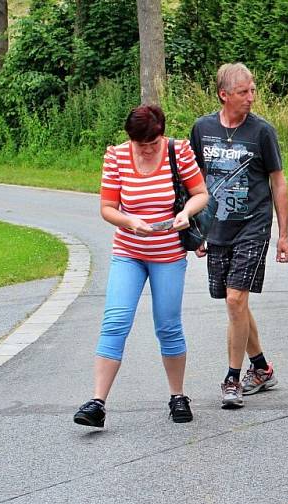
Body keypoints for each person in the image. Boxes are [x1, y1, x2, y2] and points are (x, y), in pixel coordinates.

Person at [74, 104, 209, 428]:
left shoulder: (179, 152)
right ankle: (97, 402)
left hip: (168, 253)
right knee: (116, 321)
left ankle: (178, 395)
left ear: (161, 135)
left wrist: (185, 213)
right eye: (140, 145)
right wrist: (129, 221)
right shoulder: (117, 157)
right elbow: (107, 208)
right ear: (130, 139)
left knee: (168, 324)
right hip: (129, 252)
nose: (146, 151)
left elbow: (200, 194)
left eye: (151, 144)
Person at [189, 63, 288, 409]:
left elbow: (278, 182)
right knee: (234, 303)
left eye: (252, 90)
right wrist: (195, 227)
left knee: (235, 300)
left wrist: (284, 234)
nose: (251, 97)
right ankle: (262, 368)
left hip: (253, 225)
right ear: (224, 94)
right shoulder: (202, 129)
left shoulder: (262, 131)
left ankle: (232, 378)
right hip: (217, 226)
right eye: (243, 92)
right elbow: (195, 181)